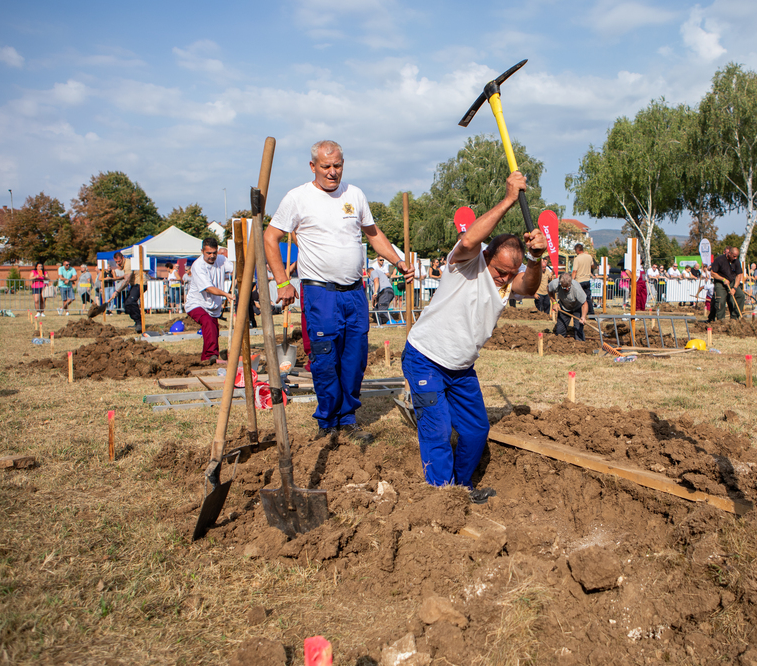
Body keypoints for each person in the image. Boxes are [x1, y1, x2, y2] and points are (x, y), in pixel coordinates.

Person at [402, 171, 545, 501]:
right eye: (500, 271)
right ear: (487, 256)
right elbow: (468, 240)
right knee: (436, 429)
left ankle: (461, 488)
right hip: (425, 358)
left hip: (461, 368)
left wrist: (536, 259)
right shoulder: (465, 262)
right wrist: (509, 199)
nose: (505, 279)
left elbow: (530, 285)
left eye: (511, 273)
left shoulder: (509, 281)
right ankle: (441, 497)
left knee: (476, 430)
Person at [265, 139, 412, 443]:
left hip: (354, 293)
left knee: (355, 358)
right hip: (320, 294)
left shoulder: (354, 195)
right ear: (313, 167)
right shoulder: (298, 198)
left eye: (338, 166)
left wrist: (398, 260)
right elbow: (270, 237)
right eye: (326, 166)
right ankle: (327, 421)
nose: (332, 172)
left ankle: (348, 420)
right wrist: (282, 282)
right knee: (325, 357)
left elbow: (374, 235)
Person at [185, 237, 235, 364]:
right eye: (208, 253)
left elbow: (234, 269)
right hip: (196, 304)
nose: (212, 256)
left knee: (213, 330)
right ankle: (211, 356)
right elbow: (208, 288)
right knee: (207, 322)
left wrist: (238, 271)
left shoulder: (221, 259)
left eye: (214, 252)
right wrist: (226, 294)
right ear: (202, 251)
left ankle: (207, 359)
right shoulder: (198, 266)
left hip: (212, 306)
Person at [109, 251, 147, 332]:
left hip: (140, 283)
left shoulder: (128, 264)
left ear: (122, 258)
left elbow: (126, 281)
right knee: (126, 304)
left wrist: (117, 291)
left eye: (119, 261)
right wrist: (115, 279)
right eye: (116, 262)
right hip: (135, 284)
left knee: (131, 301)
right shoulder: (124, 264)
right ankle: (136, 321)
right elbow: (126, 276)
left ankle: (139, 322)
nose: (118, 264)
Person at [549, 272, 589, 340]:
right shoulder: (554, 284)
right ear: (560, 283)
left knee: (578, 330)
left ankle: (580, 346)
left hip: (577, 308)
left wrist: (583, 317)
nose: (567, 289)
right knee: (559, 332)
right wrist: (554, 302)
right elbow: (549, 289)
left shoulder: (576, 288)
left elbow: (584, 303)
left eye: (568, 287)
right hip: (564, 307)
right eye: (564, 287)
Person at [708, 247, 744, 321]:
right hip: (720, 283)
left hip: (732, 282)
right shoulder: (719, 260)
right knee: (720, 301)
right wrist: (723, 279)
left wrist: (735, 288)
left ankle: (734, 318)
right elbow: (713, 273)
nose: (735, 258)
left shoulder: (736, 262)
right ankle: (721, 320)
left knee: (741, 296)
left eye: (736, 256)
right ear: (729, 253)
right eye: (734, 256)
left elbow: (738, 275)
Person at [570, 243, 595, 315]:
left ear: (577, 250)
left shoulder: (577, 259)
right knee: (588, 297)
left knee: (579, 298)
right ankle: (590, 312)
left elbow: (574, 271)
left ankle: (579, 312)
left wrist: (572, 280)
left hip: (579, 280)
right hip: (587, 279)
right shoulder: (589, 257)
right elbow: (592, 265)